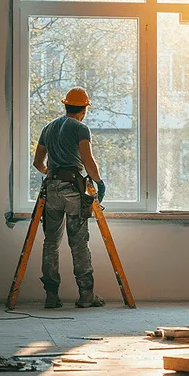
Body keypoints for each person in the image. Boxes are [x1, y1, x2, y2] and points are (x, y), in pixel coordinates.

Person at [33, 87, 107, 309]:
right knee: (78, 243)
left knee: (51, 243)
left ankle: (51, 296)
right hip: (74, 191)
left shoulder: (48, 128)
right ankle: (86, 295)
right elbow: (87, 160)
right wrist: (99, 182)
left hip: (52, 190)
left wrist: (54, 175)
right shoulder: (81, 128)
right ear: (84, 109)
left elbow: (38, 163)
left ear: (65, 106)